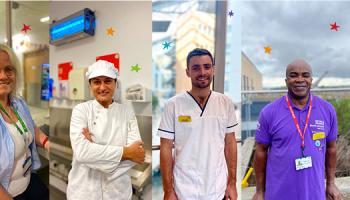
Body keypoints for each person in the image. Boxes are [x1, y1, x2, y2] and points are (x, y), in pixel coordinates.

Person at [253, 59, 341, 200]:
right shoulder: (269, 112)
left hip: (315, 194)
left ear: (311, 79)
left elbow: (331, 148)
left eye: (305, 75)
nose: (300, 79)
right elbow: (260, 151)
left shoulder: (327, 109)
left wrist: (331, 184)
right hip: (278, 194)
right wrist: (259, 191)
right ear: (286, 80)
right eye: (294, 75)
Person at [158, 48, 238, 200]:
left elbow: (230, 144)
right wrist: (168, 190)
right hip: (184, 191)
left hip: (217, 190)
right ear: (188, 72)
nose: (202, 72)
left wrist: (232, 183)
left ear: (213, 70)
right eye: (196, 68)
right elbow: (166, 148)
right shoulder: (173, 105)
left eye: (207, 67)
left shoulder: (225, 103)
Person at [67, 60, 145, 200]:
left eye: (107, 81)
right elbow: (82, 153)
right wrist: (126, 152)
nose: (102, 87)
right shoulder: (81, 111)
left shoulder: (127, 113)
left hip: (118, 193)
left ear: (115, 83)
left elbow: (137, 156)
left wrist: (94, 149)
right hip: (84, 193)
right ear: (90, 85)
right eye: (97, 82)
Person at [0, 44, 49, 200]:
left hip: (30, 180)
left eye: (8, 69)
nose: (3, 76)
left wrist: (47, 142)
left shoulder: (18, 102)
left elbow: (31, 127)